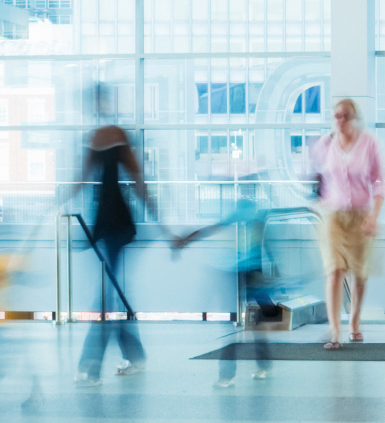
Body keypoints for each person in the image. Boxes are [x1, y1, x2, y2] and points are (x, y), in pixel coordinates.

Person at [74, 110, 159, 386]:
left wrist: (157, 216)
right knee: (112, 295)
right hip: (105, 223)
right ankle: (135, 355)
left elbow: (136, 179)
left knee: (106, 298)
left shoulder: (113, 136)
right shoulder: (98, 137)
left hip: (115, 224)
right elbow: (83, 180)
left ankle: (91, 366)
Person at [174, 195, 274, 388]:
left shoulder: (246, 212)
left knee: (237, 323)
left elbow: (212, 229)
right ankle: (257, 365)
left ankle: (230, 373)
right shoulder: (250, 213)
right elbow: (262, 243)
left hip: (243, 271)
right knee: (251, 321)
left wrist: (186, 240)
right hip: (241, 271)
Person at [310, 98, 385, 349]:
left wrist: (374, 216)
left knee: (359, 273)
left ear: (354, 118)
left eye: (345, 116)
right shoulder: (326, 143)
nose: (340, 121)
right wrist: (320, 200)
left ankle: (354, 322)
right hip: (333, 216)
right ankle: (334, 332)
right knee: (334, 271)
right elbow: (315, 173)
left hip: (361, 215)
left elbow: (379, 181)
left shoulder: (369, 143)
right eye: (336, 116)